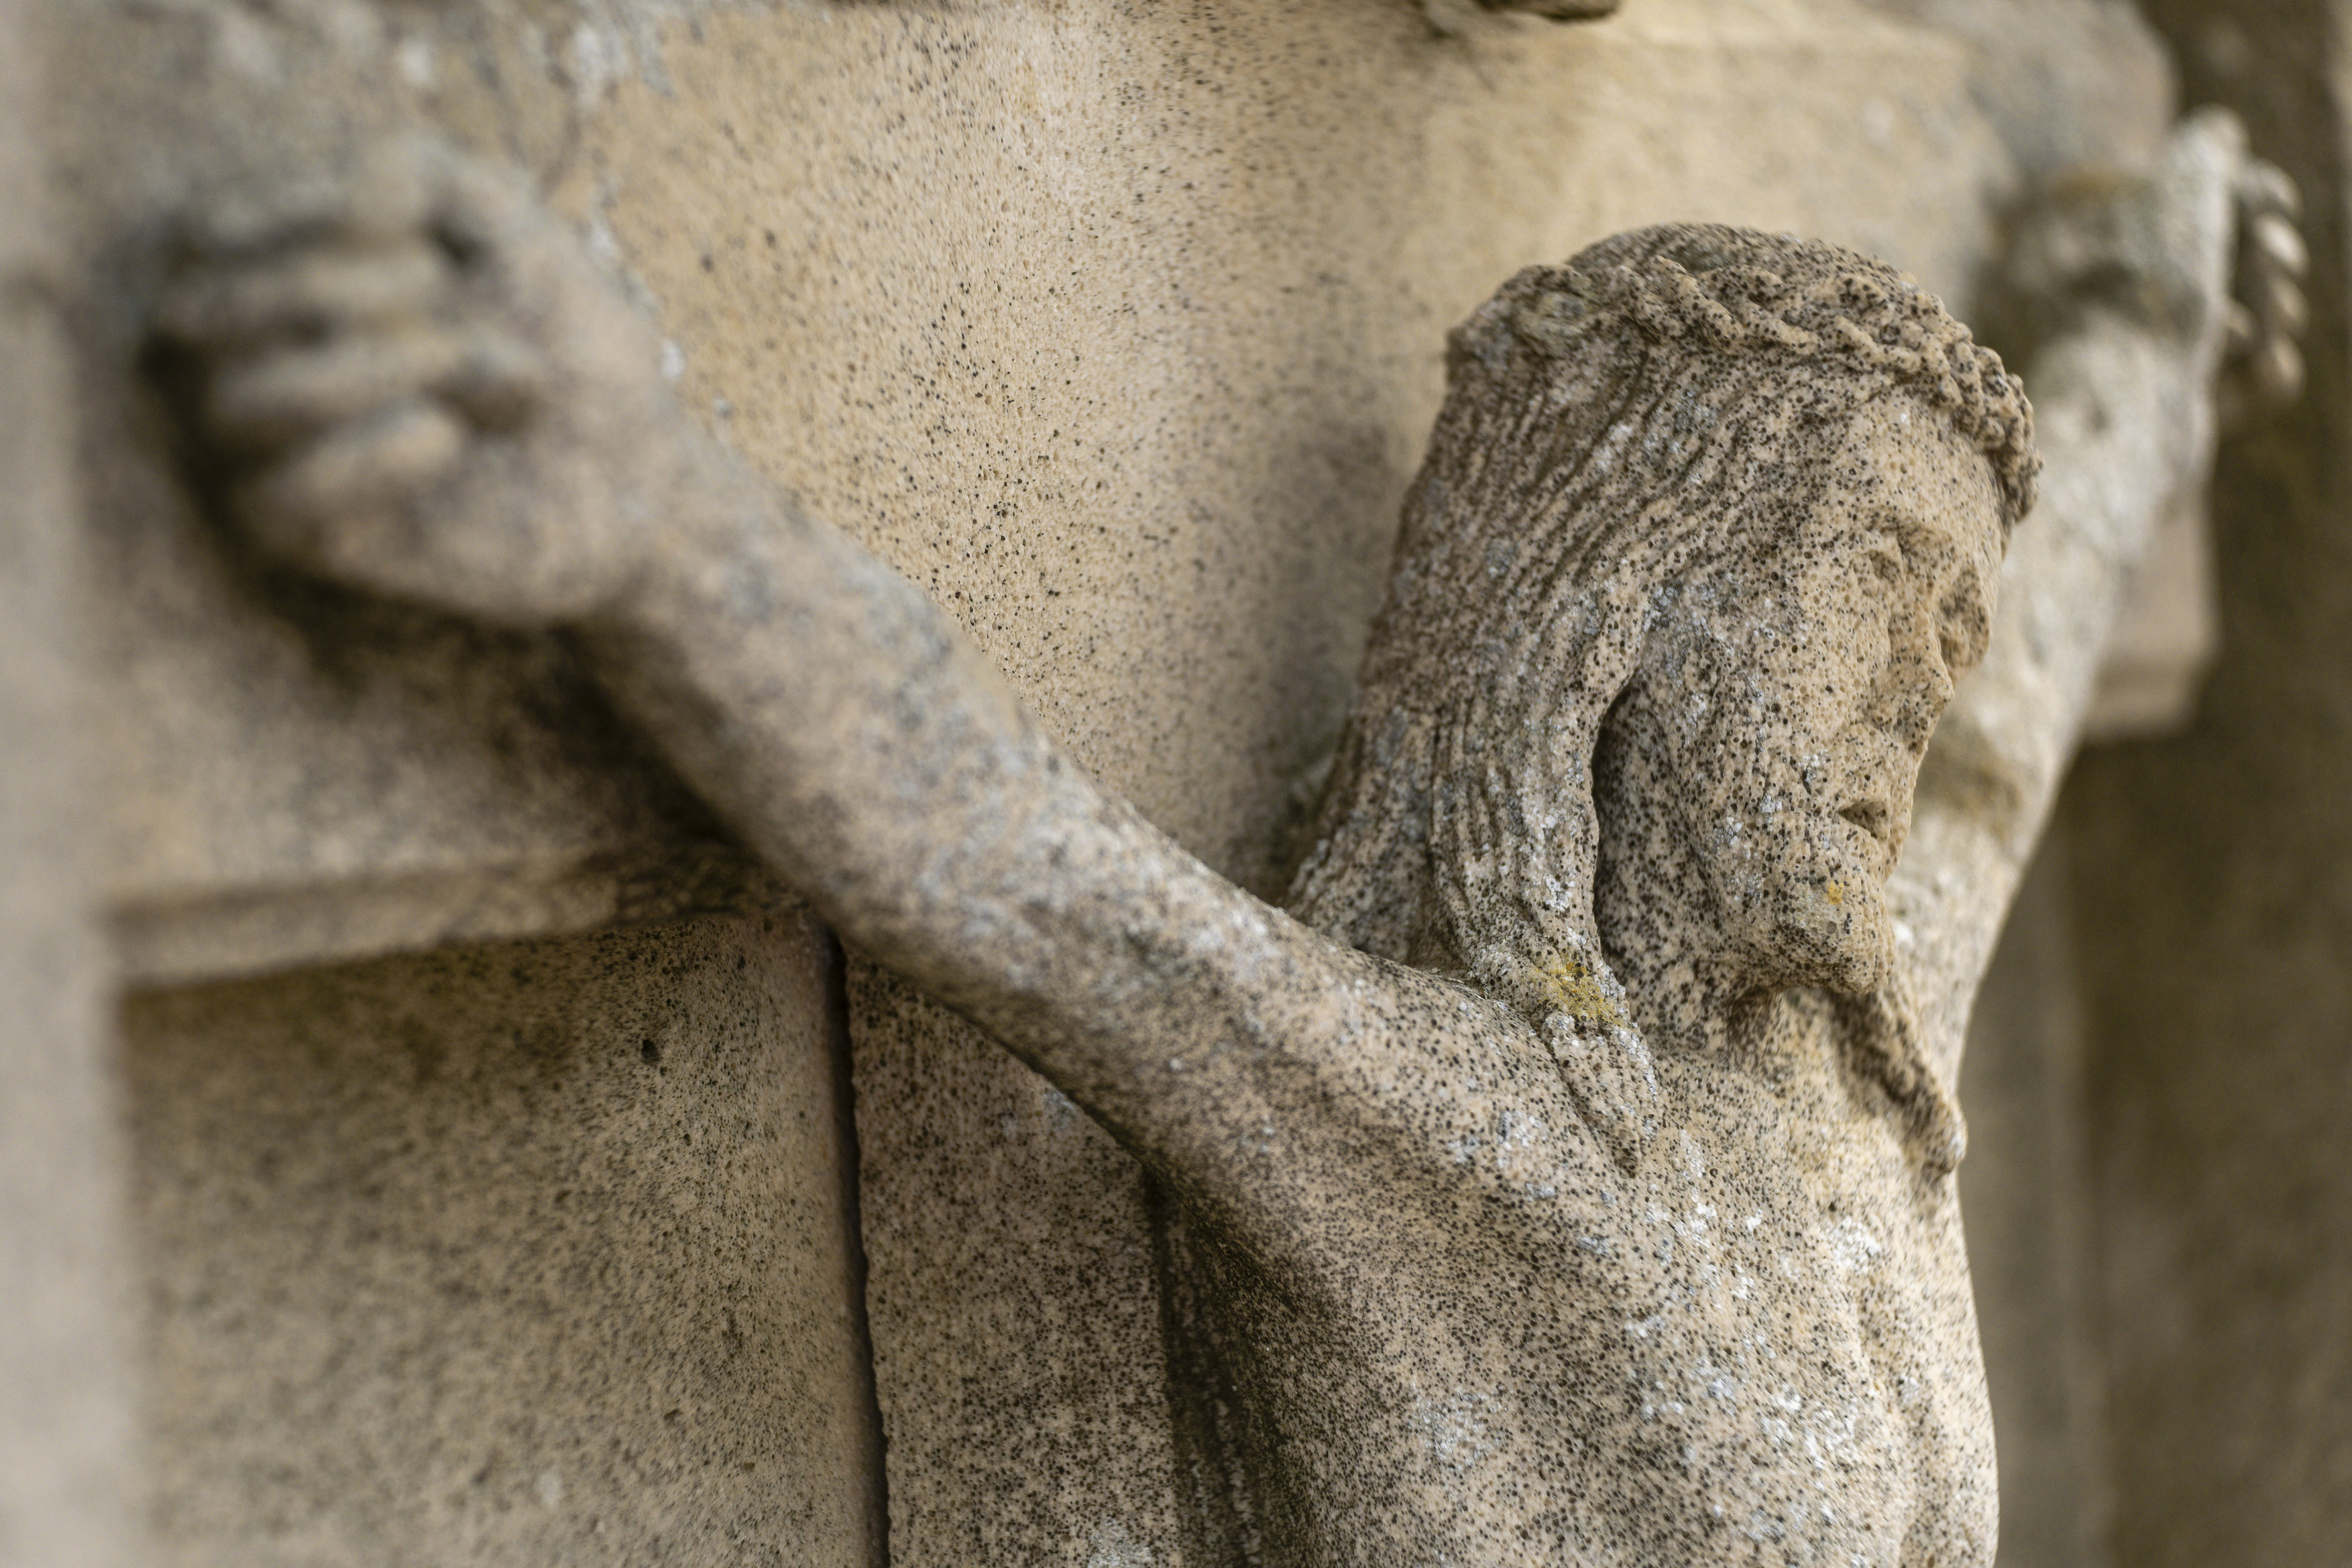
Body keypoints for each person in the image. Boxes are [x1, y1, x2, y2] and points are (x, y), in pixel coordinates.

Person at [151, 142, 2083, 1566]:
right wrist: (663, 537)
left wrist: (2147, 336)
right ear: (1624, 609)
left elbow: (2004, 764)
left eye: (1951, 626)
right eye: (1873, 580)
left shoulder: (1858, 1104)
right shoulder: (1481, 1153)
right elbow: (1023, 870)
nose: (1919, 689)